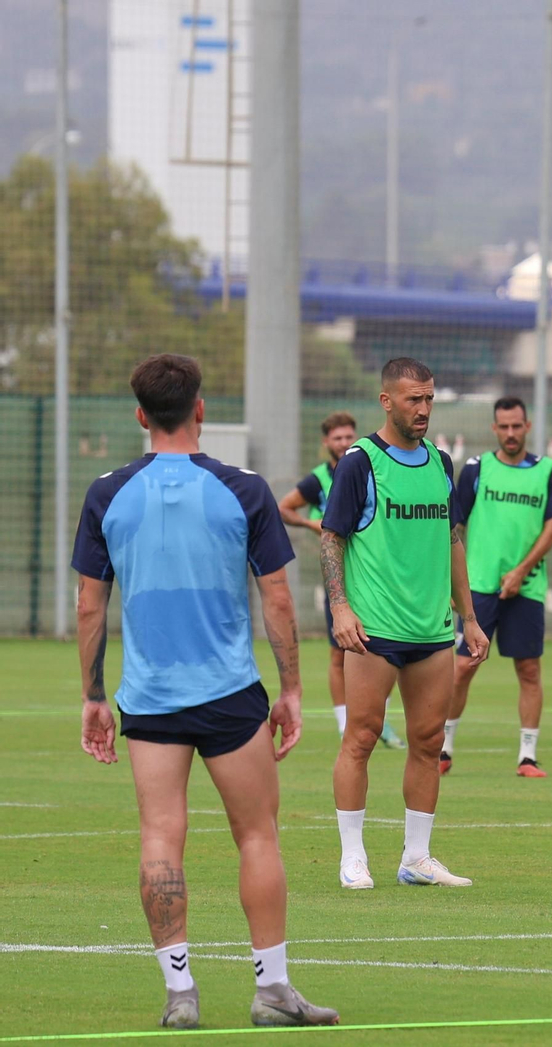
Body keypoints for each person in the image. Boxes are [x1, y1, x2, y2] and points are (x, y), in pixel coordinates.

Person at [74, 354, 337, 1029]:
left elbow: (90, 606)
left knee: (161, 834)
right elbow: (276, 597)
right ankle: (273, 990)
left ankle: (180, 994)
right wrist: (293, 689)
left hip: (151, 696)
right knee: (257, 834)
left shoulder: (108, 491)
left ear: (140, 415)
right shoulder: (244, 488)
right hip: (229, 694)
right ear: (201, 409)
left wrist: (94, 695)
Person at [320, 357, 489, 890]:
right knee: (362, 737)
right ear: (386, 401)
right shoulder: (360, 462)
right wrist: (340, 607)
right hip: (374, 631)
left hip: (433, 631)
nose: (423, 409)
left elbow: (453, 540)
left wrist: (470, 617)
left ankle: (417, 858)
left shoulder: (442, 462)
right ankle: (353, 857)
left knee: (427, 741)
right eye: (414, 399)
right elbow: (332, 538)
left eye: (430, 398)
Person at [442, 396, 552, 778]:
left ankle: (527, 757)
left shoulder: (547, 470)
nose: (511, 433)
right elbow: (452, 526)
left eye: (517, 426)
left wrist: (520, 571)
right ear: (494, 429)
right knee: (462, 668)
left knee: (528, 669)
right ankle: (443, 749)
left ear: (527, 427)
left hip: (526, 588)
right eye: (504, 427)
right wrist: (453, 584)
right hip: (478, 587)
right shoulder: (477, 469)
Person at [277, 411, 404, 750]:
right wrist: (313, 524)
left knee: (390, 650)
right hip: (341, 579)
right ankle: (344, 723)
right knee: (340, 655)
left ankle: (381, 720)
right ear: (326, 443)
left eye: (349, 436)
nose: (345, 442)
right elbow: (284, 508)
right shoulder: (319, 479)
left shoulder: (368, 466)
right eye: (337, 438)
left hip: (378, 576)